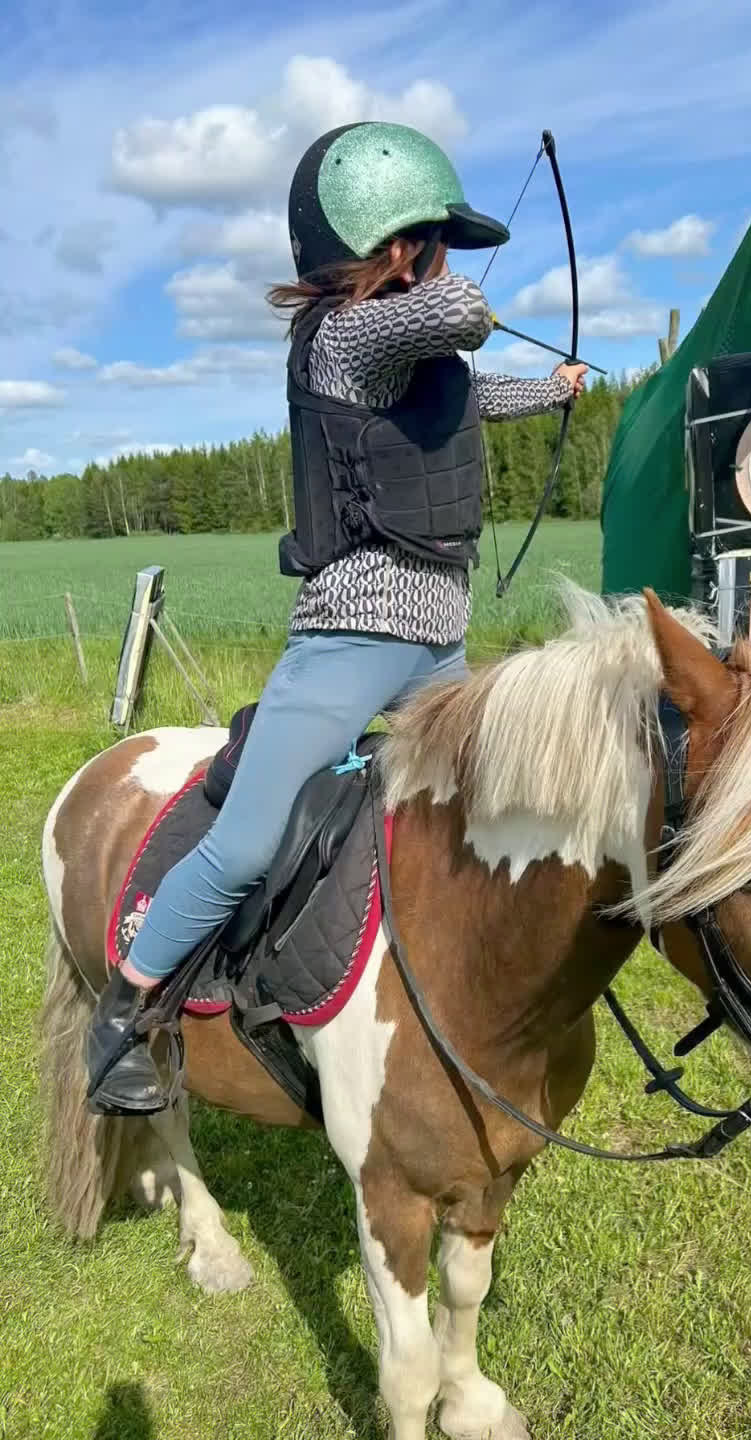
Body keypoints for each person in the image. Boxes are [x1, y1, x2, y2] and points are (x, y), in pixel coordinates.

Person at [85, 121, 587, 1115]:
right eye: (432, 235)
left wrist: (556, 387)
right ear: (391, 242)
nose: (446, 255)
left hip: (438, 640)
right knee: (249, 841)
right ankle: (124, 1015)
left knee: (481, 828)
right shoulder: (344, 339)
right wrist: (431, 269)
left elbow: (470, 395)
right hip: (351, 636)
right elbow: (462, 313)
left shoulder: (409, 354)